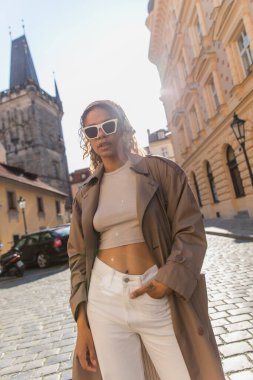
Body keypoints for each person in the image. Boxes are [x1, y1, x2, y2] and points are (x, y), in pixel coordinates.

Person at [68, 100, 225, 380]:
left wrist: (168, 278)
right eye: (91, 131)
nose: (101, 135)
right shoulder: (85, 193)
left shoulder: (161, 171)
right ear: (87, 141)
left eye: (107, 126)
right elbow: (78, 258)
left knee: (184, 373)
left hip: (155, 289)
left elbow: (190, 231)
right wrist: (82, 325)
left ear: (123, 127)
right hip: (104, 300)